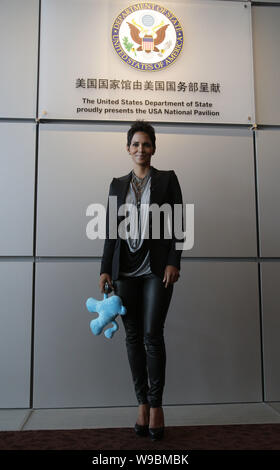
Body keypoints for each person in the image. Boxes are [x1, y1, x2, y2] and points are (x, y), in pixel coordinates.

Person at [99, 120, 184, 440]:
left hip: (156, 270)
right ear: (127, 148)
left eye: (146, 144)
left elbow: (179, 223)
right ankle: (141, 405)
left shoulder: (167, 180)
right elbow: (110, 231)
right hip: (124, 272)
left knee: (152, 334)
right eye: (135, 144)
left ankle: (157, 405)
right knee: (132, 336)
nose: (140, 150)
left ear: (154, 148)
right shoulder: (116, 184)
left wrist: (175, 261)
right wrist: (105, 269)